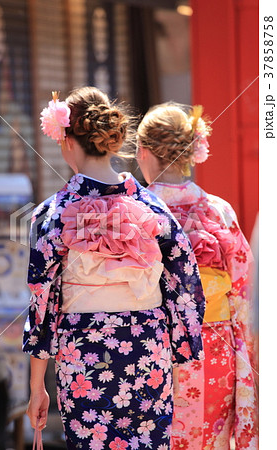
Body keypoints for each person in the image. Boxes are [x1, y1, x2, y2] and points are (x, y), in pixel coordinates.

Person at [23, 87, 205, 449]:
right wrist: (181, 348)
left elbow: (41, 300)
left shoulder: (53, 214)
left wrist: (36, 385)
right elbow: (186, 281)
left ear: (67, 140)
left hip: (84, 348)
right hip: (148, 347)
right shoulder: (152, 207)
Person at [136, 103, 258, 449]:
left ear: (143, 152)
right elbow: (243, 291)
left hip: (151, 350)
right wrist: (247, 357)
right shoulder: (218, 210)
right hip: (215, 350)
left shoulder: (136, 212)